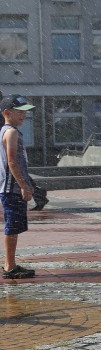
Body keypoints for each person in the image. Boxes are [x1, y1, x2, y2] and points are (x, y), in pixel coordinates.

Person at [1, 95, 37, 279]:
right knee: (12, 226)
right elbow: (12, 162)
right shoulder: (12, 132)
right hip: (12, 187)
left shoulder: (7, 130)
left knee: (14, 226)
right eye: (19, 112)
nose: (24, 115)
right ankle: (9, 266)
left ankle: (11, 264)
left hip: (10, 187)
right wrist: (23, 186)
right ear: (7, 113)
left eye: (25, 112)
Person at [0, 90, 48, 211]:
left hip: (6, 141)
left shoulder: (6, 112)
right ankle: (38, 193)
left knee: (12, 170)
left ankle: (37, 193)